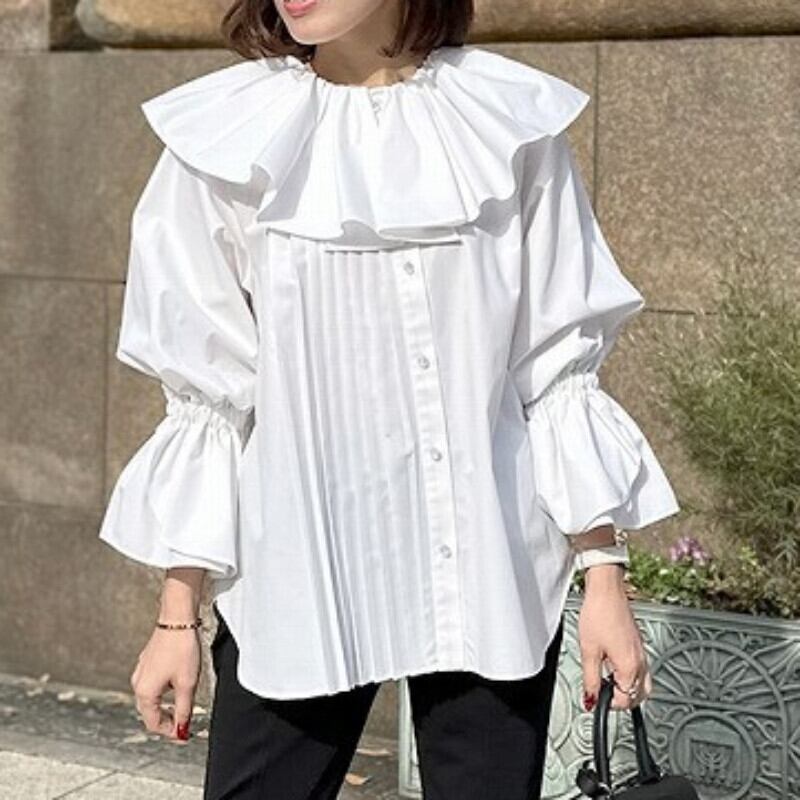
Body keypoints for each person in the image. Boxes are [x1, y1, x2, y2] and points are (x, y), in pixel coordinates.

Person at [97, 0, 681, 797]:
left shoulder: (509, 125)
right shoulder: (225, 141)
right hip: (300, 569)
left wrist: (604, 575)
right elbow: (209, 402)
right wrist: (178, 616)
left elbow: (555, 369)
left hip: (483, 566)